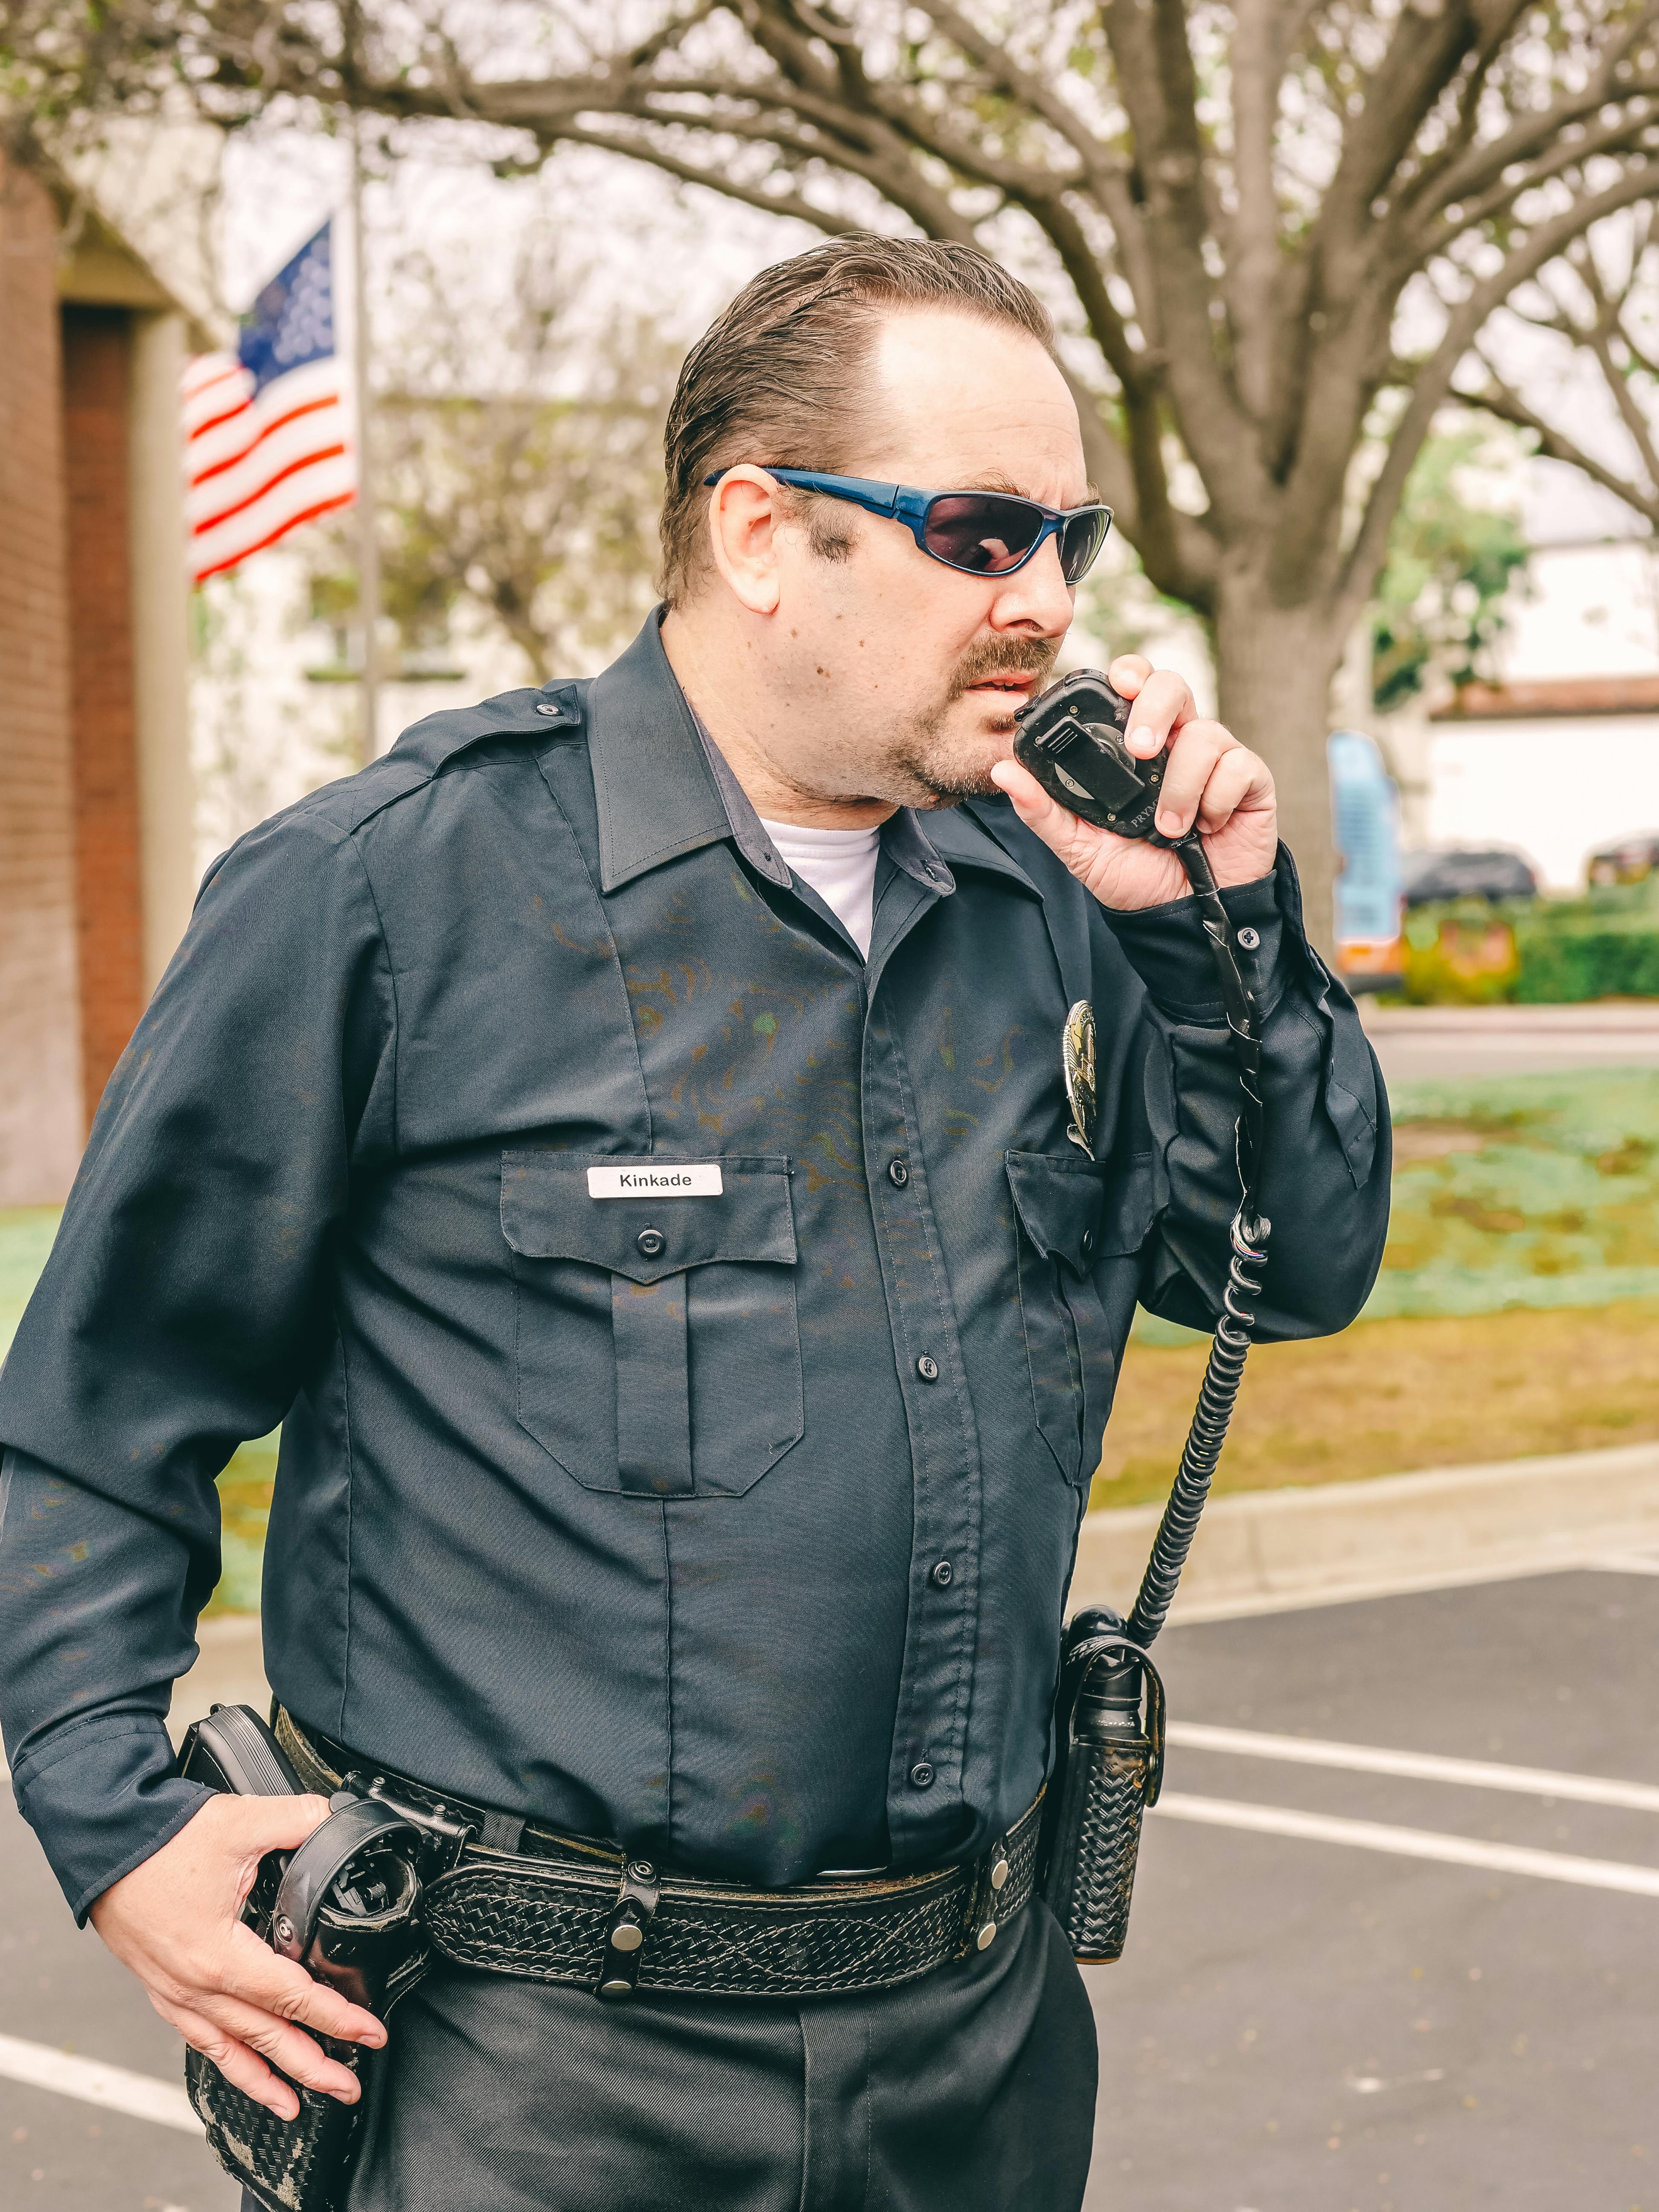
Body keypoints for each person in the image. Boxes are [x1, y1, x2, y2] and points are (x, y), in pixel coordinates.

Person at [0, 235, 1389, 2212]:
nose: (1052, 603)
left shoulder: (1071, 897)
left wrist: (1213, 932)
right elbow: (90, 1410)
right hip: (527, 2073)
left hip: (974, 2052)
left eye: (1066, 537)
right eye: (983, 534)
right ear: (760, 531)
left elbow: (1301, 1268)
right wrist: (113, 1818)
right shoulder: (395, 892)